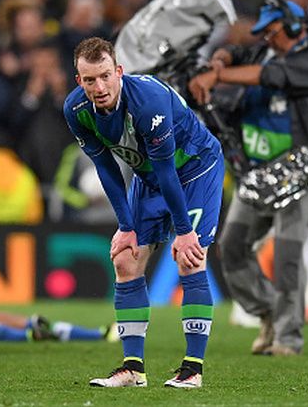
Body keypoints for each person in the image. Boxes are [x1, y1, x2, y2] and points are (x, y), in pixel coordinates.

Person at [63, 37, 224, 389]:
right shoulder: (76, 110)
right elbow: (105, 166)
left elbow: (168, 171)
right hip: (149, 176)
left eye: (105, 76)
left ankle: (192, 369)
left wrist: (183, 231)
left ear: (119, 71)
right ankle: (133, 368)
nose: (99, 87)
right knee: (125, 259)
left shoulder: (148, 102)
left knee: (190, 258)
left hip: (195, 169)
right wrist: (125, 226)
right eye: (90, 80)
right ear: (79, 81)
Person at [189, 0, 308, 356]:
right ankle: (269, 312)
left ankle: (288, 338)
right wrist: (221, 59)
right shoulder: (266, 52)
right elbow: (240, 53)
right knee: (232, 246)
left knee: (289, 249)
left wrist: (217, 76)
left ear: (294, 26)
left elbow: (274, 76)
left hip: (303, 170)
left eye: (272, 31)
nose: (267, 39)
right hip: (260, 172)